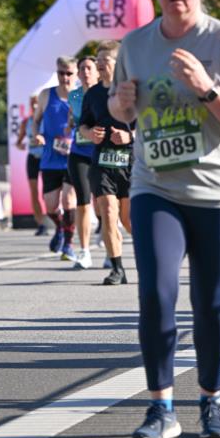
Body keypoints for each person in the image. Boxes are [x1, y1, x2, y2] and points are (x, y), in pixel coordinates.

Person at [109, 0, 220, 438]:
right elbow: (118, 110)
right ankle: (160, 407)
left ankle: (211, 399)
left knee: (211, 303)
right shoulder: (135, 45)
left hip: (219, 193)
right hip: (156, 187)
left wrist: (207, 89)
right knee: (155, 293)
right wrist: (120, 104)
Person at [79, 41, 134, 286]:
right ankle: (117, 268)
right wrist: (91, 134)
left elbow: (148, 123)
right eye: (98, 61)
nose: (100, 65)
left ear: (117, 63)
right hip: (102, 162)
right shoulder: (92, 94)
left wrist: (130, 136)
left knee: (130, 221)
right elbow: (83, 125)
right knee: (109, 213)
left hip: (131, 162)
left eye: (105, 61)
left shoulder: (131, 90)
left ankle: (155, 257)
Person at [32, 56, 78, 260]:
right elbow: (35, 122)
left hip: (74, 157)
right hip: (50, 158)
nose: (65, 77)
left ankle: (69, 244)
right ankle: (60, 227)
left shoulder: (80, 97)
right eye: (61, 73)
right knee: (50, 205)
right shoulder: (46, 95)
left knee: (69, 200)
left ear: (75, 75)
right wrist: (37, 135)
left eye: (69, 73)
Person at [67, 56, 99, 268]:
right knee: (83, 201)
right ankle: (85, 251)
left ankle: (109, 242)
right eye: (82, 69)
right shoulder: (74, 95)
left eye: (89, 68)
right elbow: (74, 120)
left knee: (106, 203)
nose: (85, 72)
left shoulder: (106, 91)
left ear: (97, 71)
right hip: (79, 151)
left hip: (103, 151)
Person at [15, 94, 47, 235]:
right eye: (32, 103)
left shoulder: (47, 119)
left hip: (47, 157)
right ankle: (40, 224)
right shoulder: (26, 121)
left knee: (48, 192)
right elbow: (19, 141)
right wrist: (20, 145)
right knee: (34, 192)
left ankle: (54, 218)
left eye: (36, 102)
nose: (34, 105)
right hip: (33, 157)